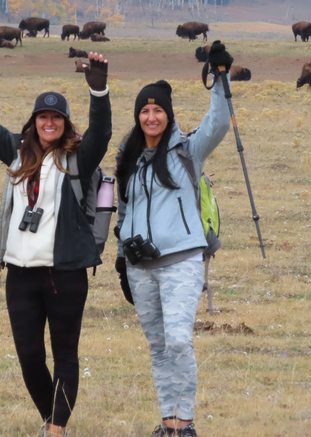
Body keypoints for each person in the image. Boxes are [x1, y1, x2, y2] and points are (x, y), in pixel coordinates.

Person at [0, 51, 111, 436]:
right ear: (34, 121)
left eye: (57, 117)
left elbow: (102, 133)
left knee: (65, 355)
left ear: (65, 123)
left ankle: (56, 429)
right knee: (28, 356)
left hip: (65, 274)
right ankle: (51, 419)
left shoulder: (78, 160)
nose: (49, 123)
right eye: (43, 116)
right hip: (20, 274)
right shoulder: (15, 152)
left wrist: (99, 90)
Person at [113, 41, 233, 437]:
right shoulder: (128, 159)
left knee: (179, 340)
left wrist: (219, 76)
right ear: (138, 116)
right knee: (159, 347)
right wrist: (120, 257)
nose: (151, 116)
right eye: (145, 110)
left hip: (180, 260)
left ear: (168, 114)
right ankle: (168, 421)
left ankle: (186, 422)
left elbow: (218, 123)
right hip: (139, 268)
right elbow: (126, 211)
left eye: (158, 109)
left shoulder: (188, 151)